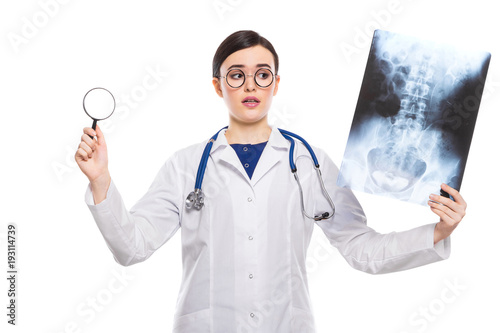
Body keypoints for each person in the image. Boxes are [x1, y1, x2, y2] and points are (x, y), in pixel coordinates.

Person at [75, 30, 467, 333]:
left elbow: (361, 248)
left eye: (262, 75)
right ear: (218, 85)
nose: (250, 86)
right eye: (237, 75)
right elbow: (132, 248)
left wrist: (437, 230)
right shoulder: (186, 165)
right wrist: (101, 181)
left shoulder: (309, 163)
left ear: (276, 84)